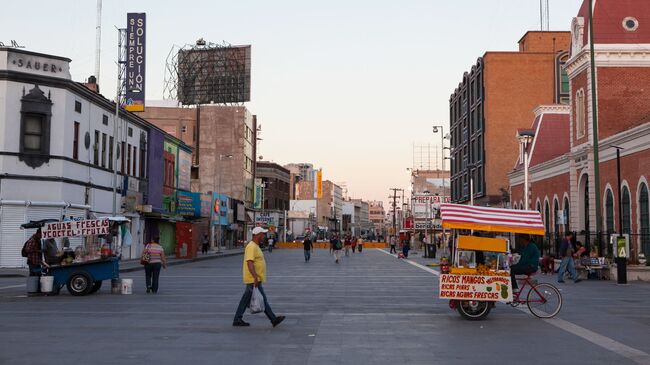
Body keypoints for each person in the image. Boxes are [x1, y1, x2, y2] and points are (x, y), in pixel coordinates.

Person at [233, 227, 285, 327]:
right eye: (263, 234)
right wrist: (255, 277)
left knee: (247, 299)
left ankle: (237, 319)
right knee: (262, 299)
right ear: (258, 235)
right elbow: (249, 263)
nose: (264, 236)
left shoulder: (255, 246)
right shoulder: (251, 246)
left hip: (255, 279)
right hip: (253, 279)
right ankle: (273, 319)